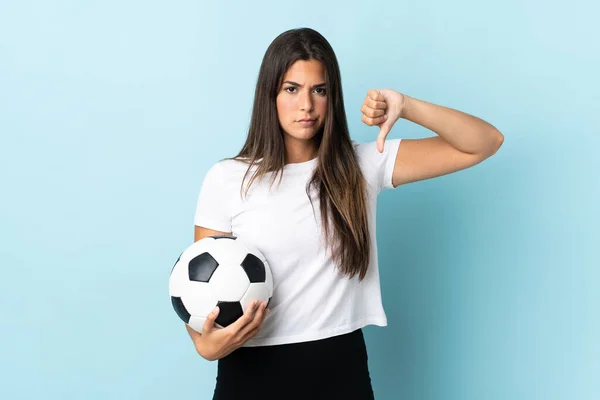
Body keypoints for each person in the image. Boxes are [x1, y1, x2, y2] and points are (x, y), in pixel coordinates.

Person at [187, 27, 503, 400]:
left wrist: (406, 105)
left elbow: (484, 143)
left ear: (331, 97)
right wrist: (204, 344)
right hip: (251, 376)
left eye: (318, 90)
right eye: (291, 89)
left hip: (340, 371)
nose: (306, 105)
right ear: (269, 94)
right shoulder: (228, 179)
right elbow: (200, 296)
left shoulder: (361, 166)